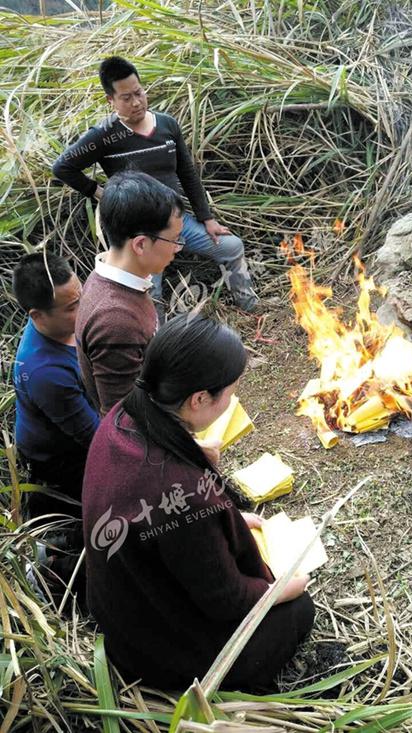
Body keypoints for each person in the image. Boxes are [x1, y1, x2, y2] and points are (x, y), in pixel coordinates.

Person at [82, 315, 314, 691]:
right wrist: (286, 587)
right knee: (300, 611)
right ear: (199, 399)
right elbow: (226, 599)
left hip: (122, 607)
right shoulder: (183, 493)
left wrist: (228, 518)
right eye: (231, 392)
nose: (233, 401)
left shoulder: (123, 414)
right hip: (153, 653)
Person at [52, 55, 258, 317]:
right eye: (126, 98)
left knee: (232, 247)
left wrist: (207, 218)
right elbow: (62, 167)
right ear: (110, 100)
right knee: (150, 289)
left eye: (139, 92)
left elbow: (187, 173)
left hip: (179, 221)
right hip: (141, 233)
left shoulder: (167, 125)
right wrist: (100, 194)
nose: (136, 102)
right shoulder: (104, 135)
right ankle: (156, 343)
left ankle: (250, 307)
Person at [76, 170, 183, 416]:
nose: (177, 248)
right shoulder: (115, 320)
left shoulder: (109, 277)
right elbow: (122, 419)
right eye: (175, 239)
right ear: (141, 244)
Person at [13, 253, 99, 519]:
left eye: (82, 295)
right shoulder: (45, 372)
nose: (86, 307)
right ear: (37, 315)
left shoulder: (62, 325)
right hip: (57, 459)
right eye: (73, 306)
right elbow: (94, 436)